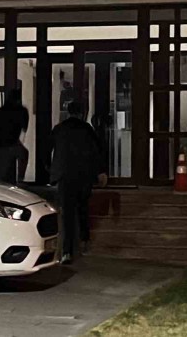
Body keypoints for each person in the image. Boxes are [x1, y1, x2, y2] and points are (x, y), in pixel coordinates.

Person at [50, 101, 108, 264]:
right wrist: (100, 171)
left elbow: (48, 149)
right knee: (83, 208)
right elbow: (96, 151)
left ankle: (67, 251)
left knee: (67, 214)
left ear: (68, 112)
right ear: (82, 113)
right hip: (83, 175)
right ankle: (84, 240)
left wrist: (51, 170)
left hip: (65, 175)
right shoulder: (87, 129)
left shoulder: (59, 129)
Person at [0, 88, 29, 184]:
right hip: (13, 142)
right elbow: (24, 128)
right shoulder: (21, 111)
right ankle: (20, 178)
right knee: (24, 154)